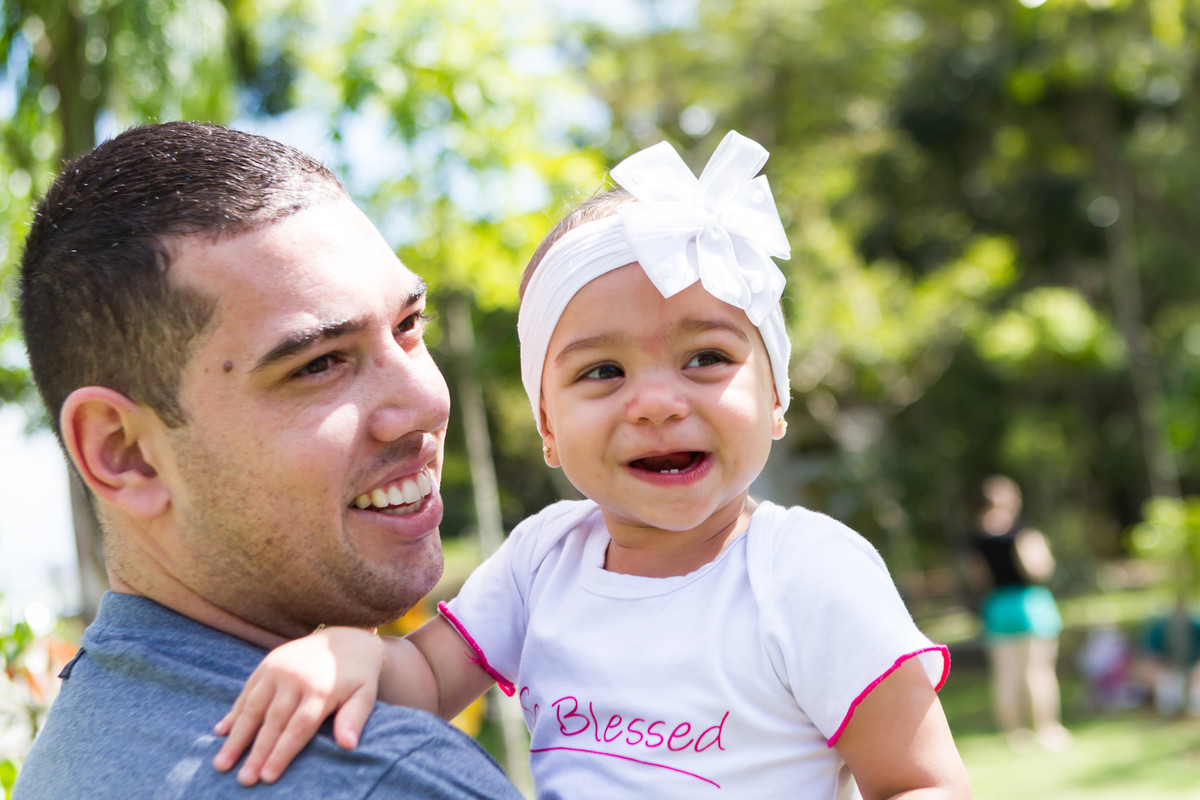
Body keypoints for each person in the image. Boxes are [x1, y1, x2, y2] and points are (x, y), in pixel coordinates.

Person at [215, 131, 972, 799]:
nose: (654, 402)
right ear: (547, 426)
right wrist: (358, 654)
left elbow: (922, 782)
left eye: (706, 358)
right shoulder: (543, 559)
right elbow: (430, 682)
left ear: (776, 397)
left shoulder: (807, 574)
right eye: (602, 372)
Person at [12, 121, 524, 799]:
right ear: (123, 452)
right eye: (319, 365)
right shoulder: (379, 773)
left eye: (408, 325)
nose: (425, 400)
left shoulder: (75, 750)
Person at [969, 474, 1070, 752]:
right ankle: (1047, 730)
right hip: (1029, 602)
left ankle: (1015, 736)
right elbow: (1038, 568)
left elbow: (979, 578)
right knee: (1039, 670)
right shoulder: (1023, 531)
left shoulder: (977, 537)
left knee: (1005, 674)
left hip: (997, 605)